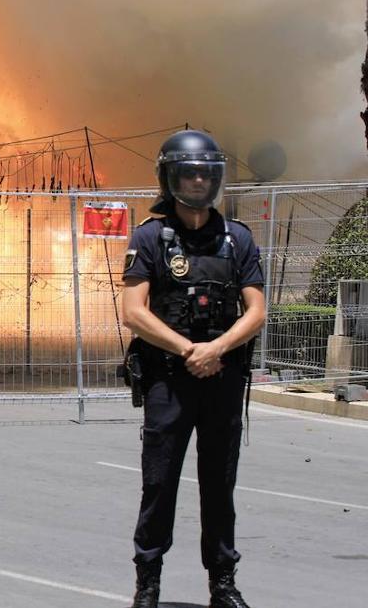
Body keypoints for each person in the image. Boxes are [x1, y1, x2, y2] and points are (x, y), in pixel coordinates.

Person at [121, 129, 265, 608]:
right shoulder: (150, 237)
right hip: (169, 380)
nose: (199, 181)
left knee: (219, 483)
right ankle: (148, 583)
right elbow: (134, 312)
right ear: (171, 178)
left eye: (206, 173)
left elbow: (257, 310)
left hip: (222, 379)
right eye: (190, 173)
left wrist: (216, 348)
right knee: (159, 482)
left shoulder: (236, 239)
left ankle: (222, 584)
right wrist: (189, 350)